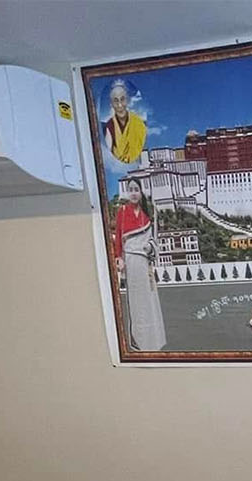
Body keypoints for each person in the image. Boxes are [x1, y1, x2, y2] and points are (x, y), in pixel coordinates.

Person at [111, 177, 166, 352]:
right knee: (136, 301)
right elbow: (118, 236)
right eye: (131, 190)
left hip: (144, 262)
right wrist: (119, 257)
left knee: (149, 299)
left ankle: (154, 339)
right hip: (131, 260)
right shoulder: (122, 211)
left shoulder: (146, 216)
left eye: (136, 189)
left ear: (141, 192)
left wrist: (149, 247)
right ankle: (139, 341)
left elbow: (153, 241)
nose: (134, 193)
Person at [101, 79, 147, 166]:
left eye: (122, 99)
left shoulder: (139, 124)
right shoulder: (108, 126)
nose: (119, 105)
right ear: (111, 104)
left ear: (128, 101)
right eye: (116, 101)